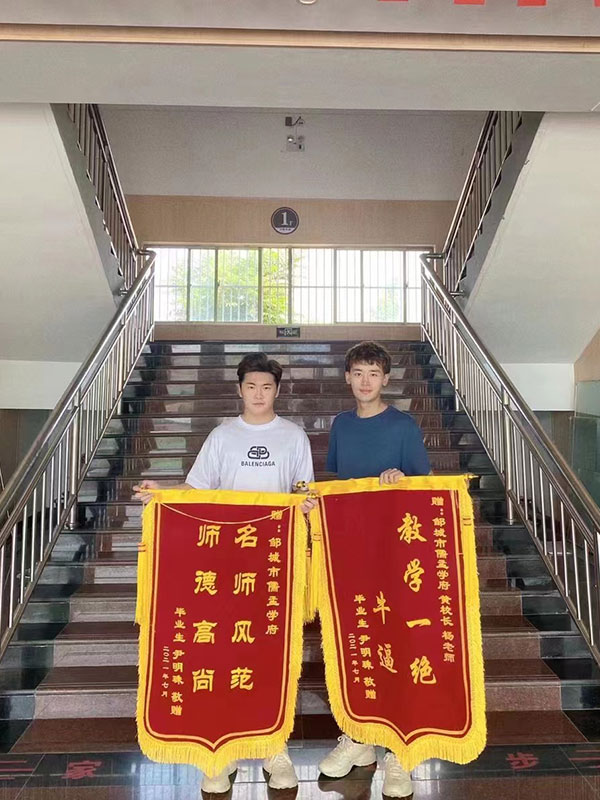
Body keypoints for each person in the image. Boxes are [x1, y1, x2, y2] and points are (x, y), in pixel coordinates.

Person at [134, 352, 317, 794]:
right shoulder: (222, 436)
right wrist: (163, 494)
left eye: (267, 387)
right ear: (240, 389)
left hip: (273, 561)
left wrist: (307, 505)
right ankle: (224, 749)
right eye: (251, 386)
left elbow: (302, 492)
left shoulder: (293, 436)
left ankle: (275, 746)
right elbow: (196, 491)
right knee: (225, 650)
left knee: (274, 651)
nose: (259, 394)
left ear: (277, 391)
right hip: (224, 562)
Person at [318, 341, 432, 799]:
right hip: (352, 552)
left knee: (397, 644)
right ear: (347, 377)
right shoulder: (341, 425)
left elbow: (426, 489)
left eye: (373, 373)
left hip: (396, 556)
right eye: (358, 373)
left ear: (386, 379)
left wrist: (402, 482)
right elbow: (338, 486)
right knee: (357, 642)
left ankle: (400, 752)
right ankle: (360, 737)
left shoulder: (403, 426)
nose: (365, 381)